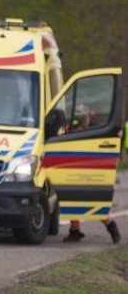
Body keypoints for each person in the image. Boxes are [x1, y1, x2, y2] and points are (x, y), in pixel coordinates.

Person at [62, 103, 121, 243]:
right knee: (73, 201)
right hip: (76, 168)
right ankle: (75, 231)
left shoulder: (93, 130)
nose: (77, 116)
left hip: (86, 169)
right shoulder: (77, 129)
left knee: (92, 203)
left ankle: (112, 227)